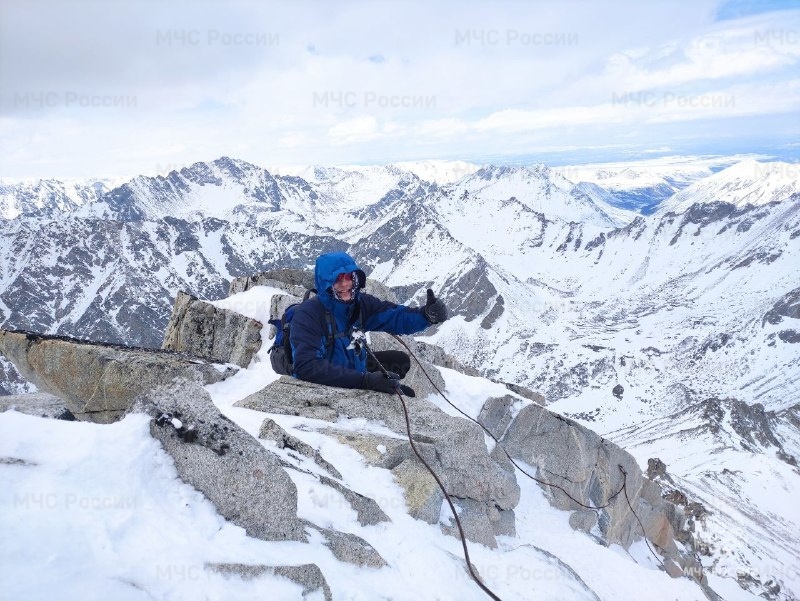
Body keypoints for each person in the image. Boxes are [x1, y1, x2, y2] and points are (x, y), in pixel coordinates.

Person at [289, 251, 448, 395]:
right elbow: (306, 367)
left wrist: (426, 316)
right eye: (337, 279)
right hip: (330, 382)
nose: (345, 284)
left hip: (354, 368)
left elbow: (394, 317)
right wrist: (365, 381)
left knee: (400, 362)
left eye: (348, 277)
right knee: (405, 396)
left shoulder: (359, 304)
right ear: (325, 284)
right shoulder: (309, 315)